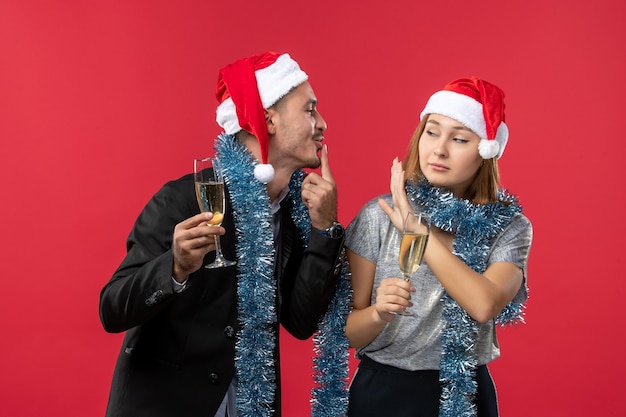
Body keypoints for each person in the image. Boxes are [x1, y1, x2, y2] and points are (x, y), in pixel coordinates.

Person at [99, 52, 351, 417]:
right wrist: (176, 267)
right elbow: (111, 308)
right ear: (269, 119)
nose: (322, 123)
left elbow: (300, 322)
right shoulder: (184, 198)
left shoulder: (298, 210)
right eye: (309, 110)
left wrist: (324, 229)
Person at [344, 77, 533, 417]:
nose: (439, 149)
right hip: (381, 394)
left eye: (459, 138)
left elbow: (484, 304)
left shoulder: (509, 227)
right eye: (432, 132)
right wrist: (378, 313)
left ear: (485, 152)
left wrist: (419, 234)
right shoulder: (378, 216)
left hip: (464, 394)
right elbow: (350, 332)